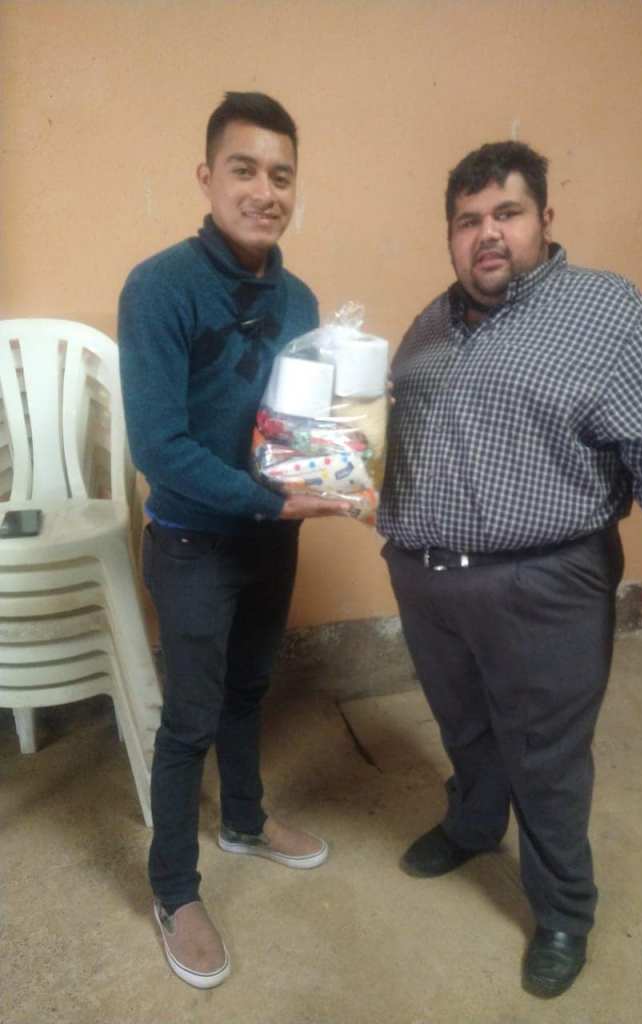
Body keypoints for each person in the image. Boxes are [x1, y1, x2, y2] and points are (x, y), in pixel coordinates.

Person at [378, 140, 642, 998]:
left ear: (544, 219)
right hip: (429, 578)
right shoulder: (430, 325)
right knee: (464, 726)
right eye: (468, 221)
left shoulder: (608, 316)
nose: (487, 234)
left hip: (544, 584)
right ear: (450, 236)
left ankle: (564, 908)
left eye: (507, 213)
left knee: (545, 757)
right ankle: (472, 825)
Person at [118, 92, 350, 990]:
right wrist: (269, 503)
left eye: (281, 175)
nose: (265, 191)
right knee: (190, 718)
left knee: (252, 687)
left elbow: (303, 427)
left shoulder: (300, 301)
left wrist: (344, 465)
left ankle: (245, 821)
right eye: (244, 170)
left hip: (268, 535)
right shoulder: (159, 287)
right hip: (193, 541)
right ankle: (174, 890)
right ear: (207, 177)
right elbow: (159, 448)